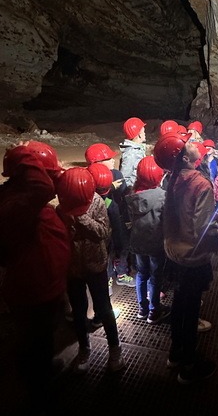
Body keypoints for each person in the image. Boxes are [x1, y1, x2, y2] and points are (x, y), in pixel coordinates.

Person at [0, 143, 70, 413]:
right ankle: (40, 395)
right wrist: (27, 154)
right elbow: (43, 187)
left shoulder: (17, 198)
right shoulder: (19, 203)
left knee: (40, 338)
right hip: (33, 288)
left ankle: (42, 371)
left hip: (40, 284)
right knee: (34, 342)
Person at [155, 133, 218, 384]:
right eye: (188, 145)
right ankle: (188, 365)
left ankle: (175, 354)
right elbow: (203, 229)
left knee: (179, 305)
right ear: (185, 158)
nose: (194, 144)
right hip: (192, 256)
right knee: (190, 308)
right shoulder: (201, 184)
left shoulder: (173, 179)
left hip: (174, 252)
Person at [56, 167, 125, 373]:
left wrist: (82, 219)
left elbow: (104, 232)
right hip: (73, 268)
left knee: (104, 308)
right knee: (78, 311)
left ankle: (115, 349)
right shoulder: (62, 207)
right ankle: (84, 348)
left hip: (96, 265)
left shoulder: (96, 202)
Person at [125, 156, 171, 324]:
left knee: (141, 274)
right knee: (155, 276)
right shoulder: (163, 196)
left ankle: (142, 309)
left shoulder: (133, 194)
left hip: (138, 243)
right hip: (156, 243)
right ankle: (154, 311)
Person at [85, 143, 135, 288]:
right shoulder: (94, 178)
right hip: (107, 221)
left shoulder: (113, 175)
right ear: (97, 162)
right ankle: (112, 276)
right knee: (111, 248)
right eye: (108, 158)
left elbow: (120, 198)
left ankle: (115, 275)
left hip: (113, 218)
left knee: (116, 247)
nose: (113, 160)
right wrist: (110, 188)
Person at [119, 117, 147, 190]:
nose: (145, 134)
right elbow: (124, 177)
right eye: (143, 132)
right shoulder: (131, 153)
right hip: (133, 190)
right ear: (139, 135)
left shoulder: (137, 149)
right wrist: (130, 192)